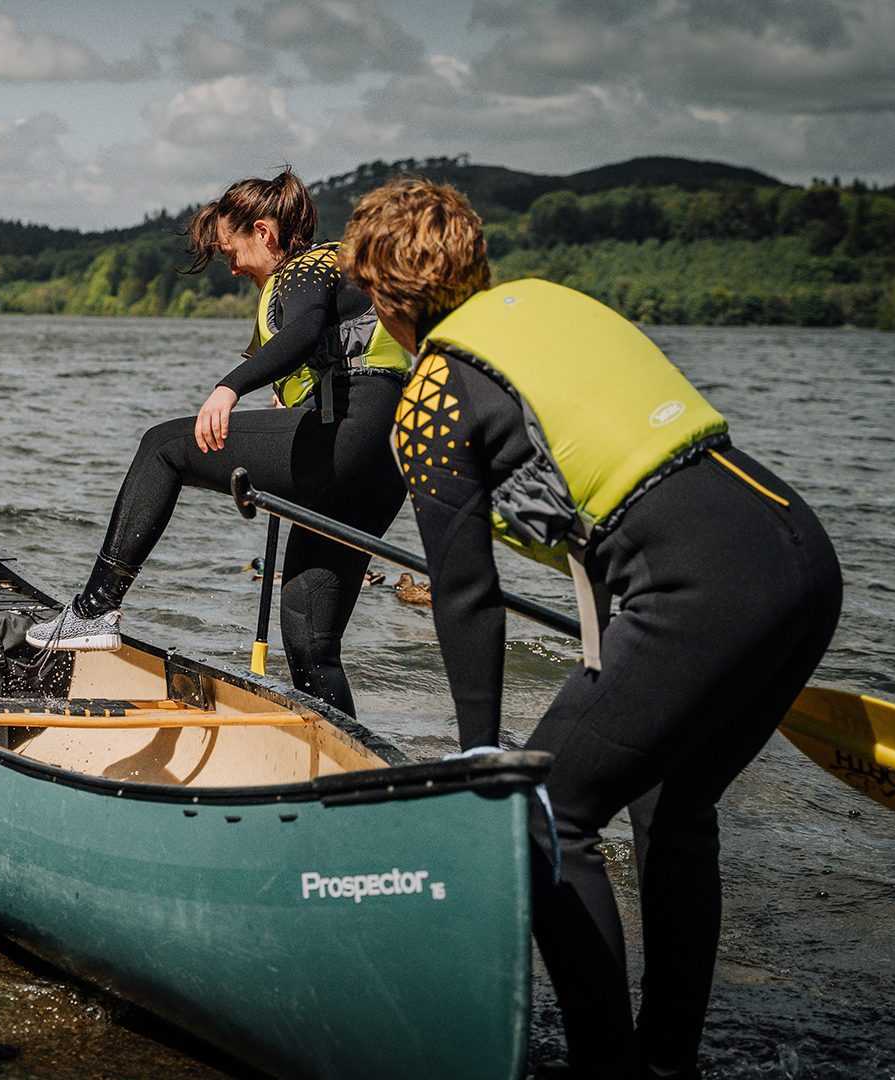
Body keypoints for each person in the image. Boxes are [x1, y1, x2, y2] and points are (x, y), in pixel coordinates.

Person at [341, 178, 842, 1078]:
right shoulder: (547, 302)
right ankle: (666, 1063)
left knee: (546, 817)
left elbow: (464, 594)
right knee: (672, 803)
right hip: (798, 551)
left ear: (381, 293)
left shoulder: (431, 397)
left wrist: (481, 765)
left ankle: (608, 1070)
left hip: (695, 586)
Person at [27, 169, 409, 717]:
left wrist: (230, 387)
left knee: (163, 446)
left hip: (347, 437)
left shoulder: (302, 269)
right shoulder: (341, 268)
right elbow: (331, 347)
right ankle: (352, 766)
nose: (232, 266)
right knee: (310, 643)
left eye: (233, 251)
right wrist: (292, 399)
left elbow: (302, 336)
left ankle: (93, 609)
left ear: (265, 231)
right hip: (383, 467)